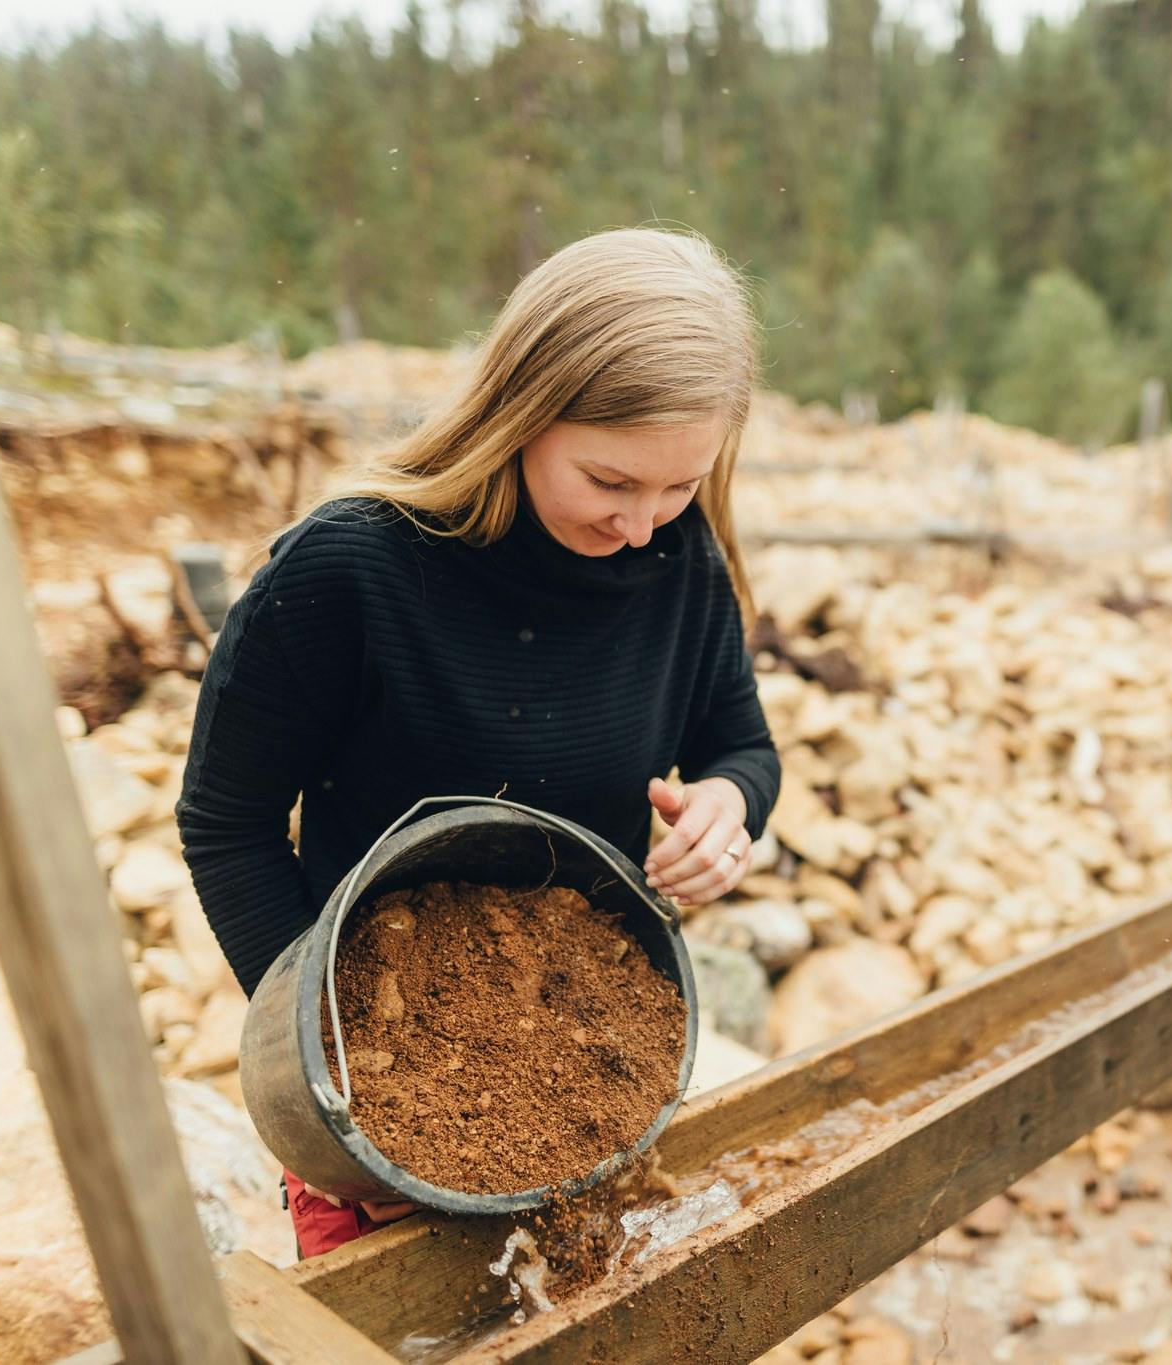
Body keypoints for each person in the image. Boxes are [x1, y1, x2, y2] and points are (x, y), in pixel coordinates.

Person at [176, 227, 782, 1255]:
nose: (643, 527)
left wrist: (728, 808)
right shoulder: (348, 573)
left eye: (679, 486)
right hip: (382, 1094)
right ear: (522, 412)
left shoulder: (681, 565)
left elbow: (742, 749)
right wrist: (334, 1052)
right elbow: (224, 825)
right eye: (610, 482)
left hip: (593, 1077)